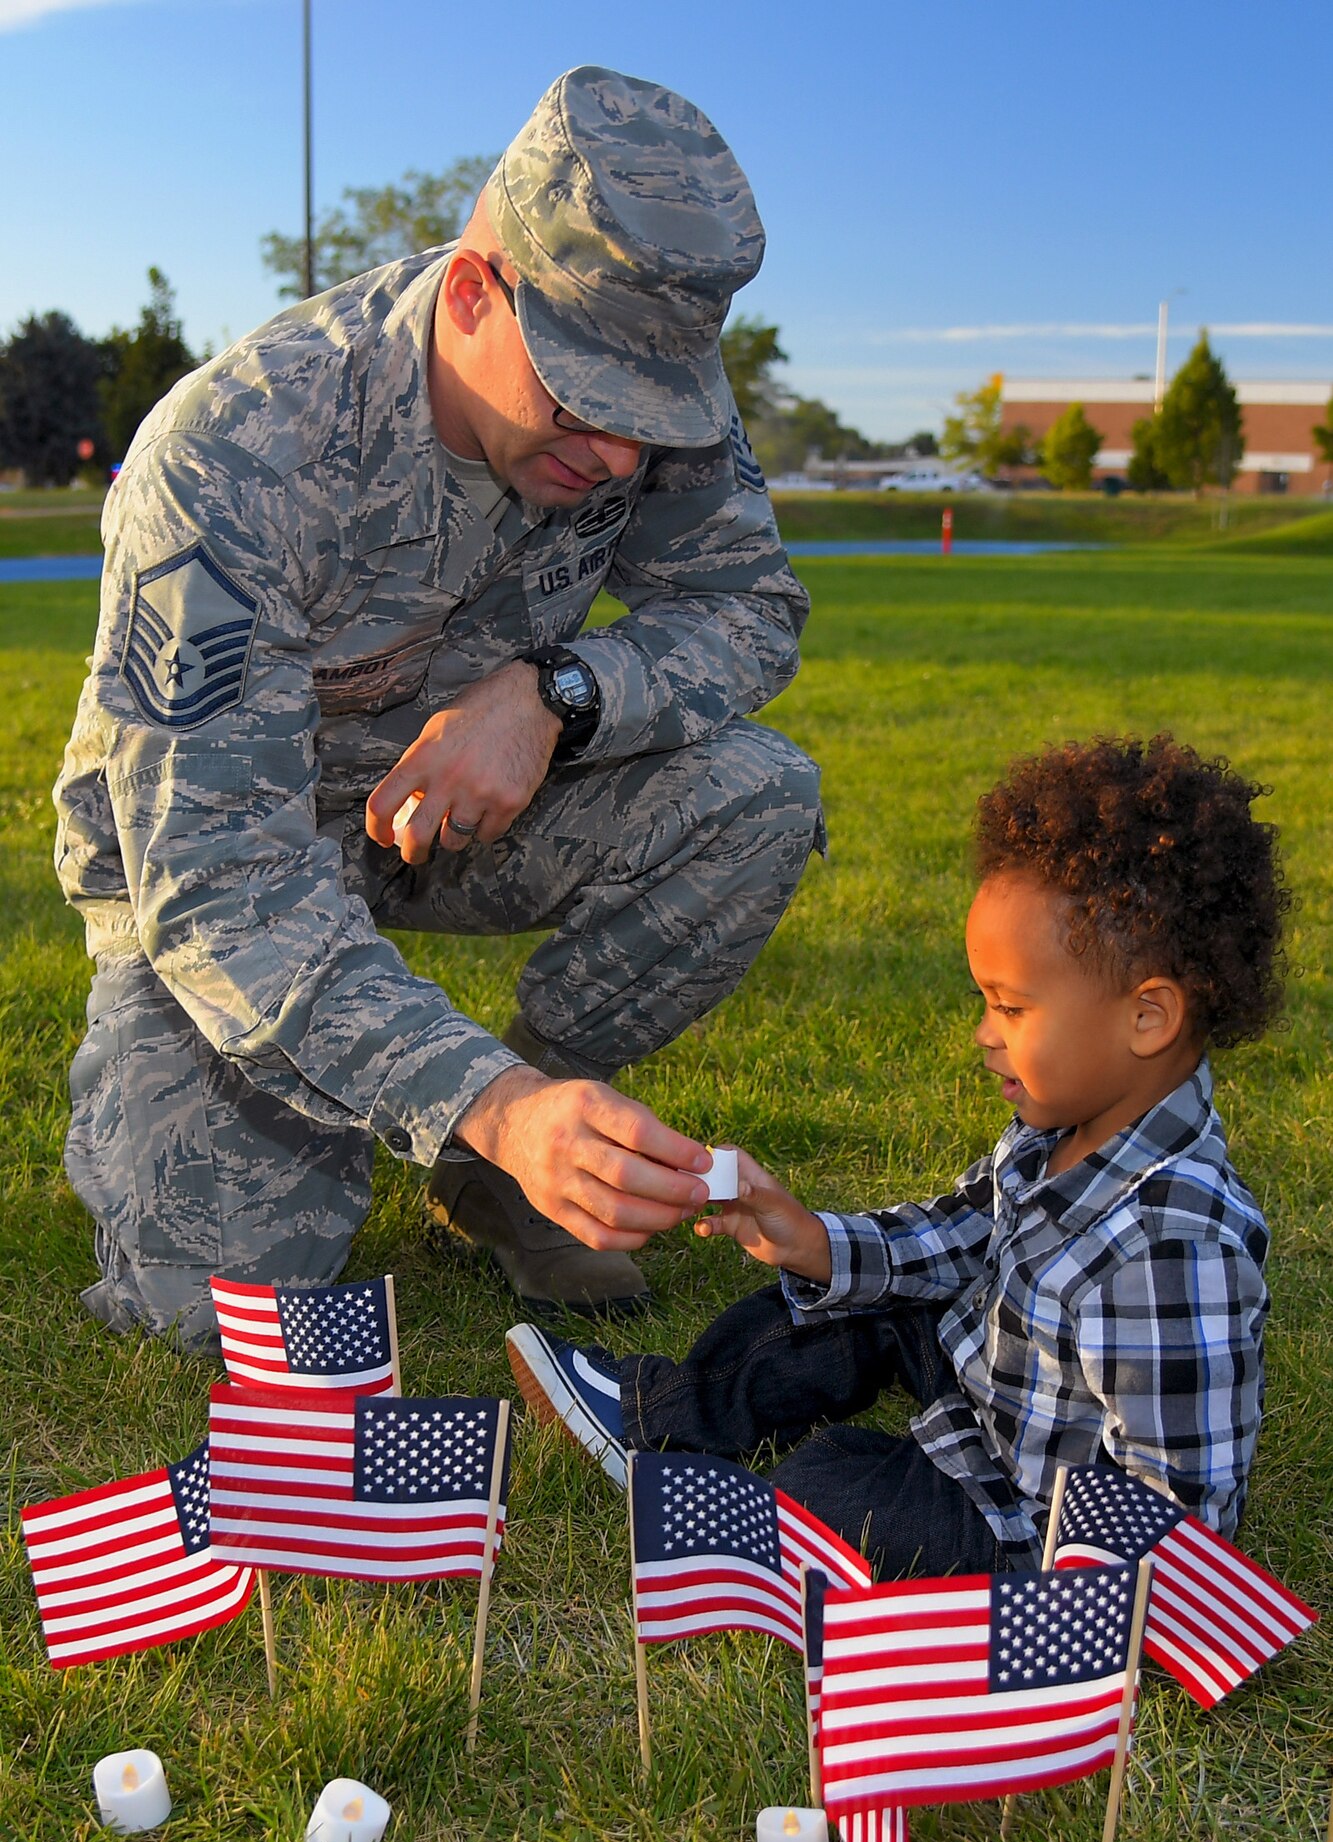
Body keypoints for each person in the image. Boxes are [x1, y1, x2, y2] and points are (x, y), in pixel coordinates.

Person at [53, 66, 821, 1349]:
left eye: (655, 414)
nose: (626, 457)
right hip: (235, 870)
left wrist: (554, 695)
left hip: (448, 821)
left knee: (757, 796)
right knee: (237, 1312)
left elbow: (750, 610)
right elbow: (221, 883)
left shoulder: (641, 390)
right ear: (474, 292)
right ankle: (502, 1127)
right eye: (587, 401)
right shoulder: (239, 451)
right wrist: (485, 1091)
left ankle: (504, 1166)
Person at [506, 735, 1288, 1578]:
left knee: (824, 1487)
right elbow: (963, 1233)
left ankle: (756, 1539)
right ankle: (651, 1414)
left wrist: (1074, 1602)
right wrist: (812, 1240)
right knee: (829, 1306)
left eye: (1012, 1009)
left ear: (1147, 1018)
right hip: (989, 1366)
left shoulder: (1172, 1243)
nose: (984, 1036)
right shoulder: (1062, 1124)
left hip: (1019, 1497)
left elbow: (1179, 1518)